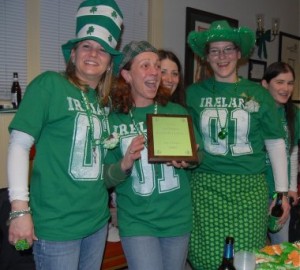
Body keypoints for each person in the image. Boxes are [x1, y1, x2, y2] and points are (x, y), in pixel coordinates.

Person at [6, 0, 124, 269]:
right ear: (73, 54)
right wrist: (19, 209)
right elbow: (19, 145)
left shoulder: (103, 103)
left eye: (102, 49)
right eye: (86, 46)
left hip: (96, 221)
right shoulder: (50, 84)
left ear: (109, 63)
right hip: (57, 225)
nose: (93, 54)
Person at [186, 20, 290, 269]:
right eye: (215, 50)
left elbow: (276, 144)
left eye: (228, 49)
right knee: (207, 258)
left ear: (239, 54)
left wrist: (282, 193)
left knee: (246, 257)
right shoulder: (192, 94)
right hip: (205, 191)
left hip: (249, 193)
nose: (222, 56)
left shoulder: (259, 95)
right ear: (206, 57)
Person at [104, 40, 202, 270]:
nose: (155, 72)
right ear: (127, 75)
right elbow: (105, 177)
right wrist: (124, 164)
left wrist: (189, 161)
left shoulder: (177, 112)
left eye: (157, 66)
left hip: (177, 218)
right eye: (145, 65)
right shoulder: (113, 120)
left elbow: (201, 155)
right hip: (138, 220)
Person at [262, 62, 300, 244]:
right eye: (280, 82)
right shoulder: (256, 111)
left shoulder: (294, 114)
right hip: (257, 190)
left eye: (290, 83)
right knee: (255, 247)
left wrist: (291, 187)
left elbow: (292, 152)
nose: (286, 88)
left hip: (281, 194)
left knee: (282, 247)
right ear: (265, 84)